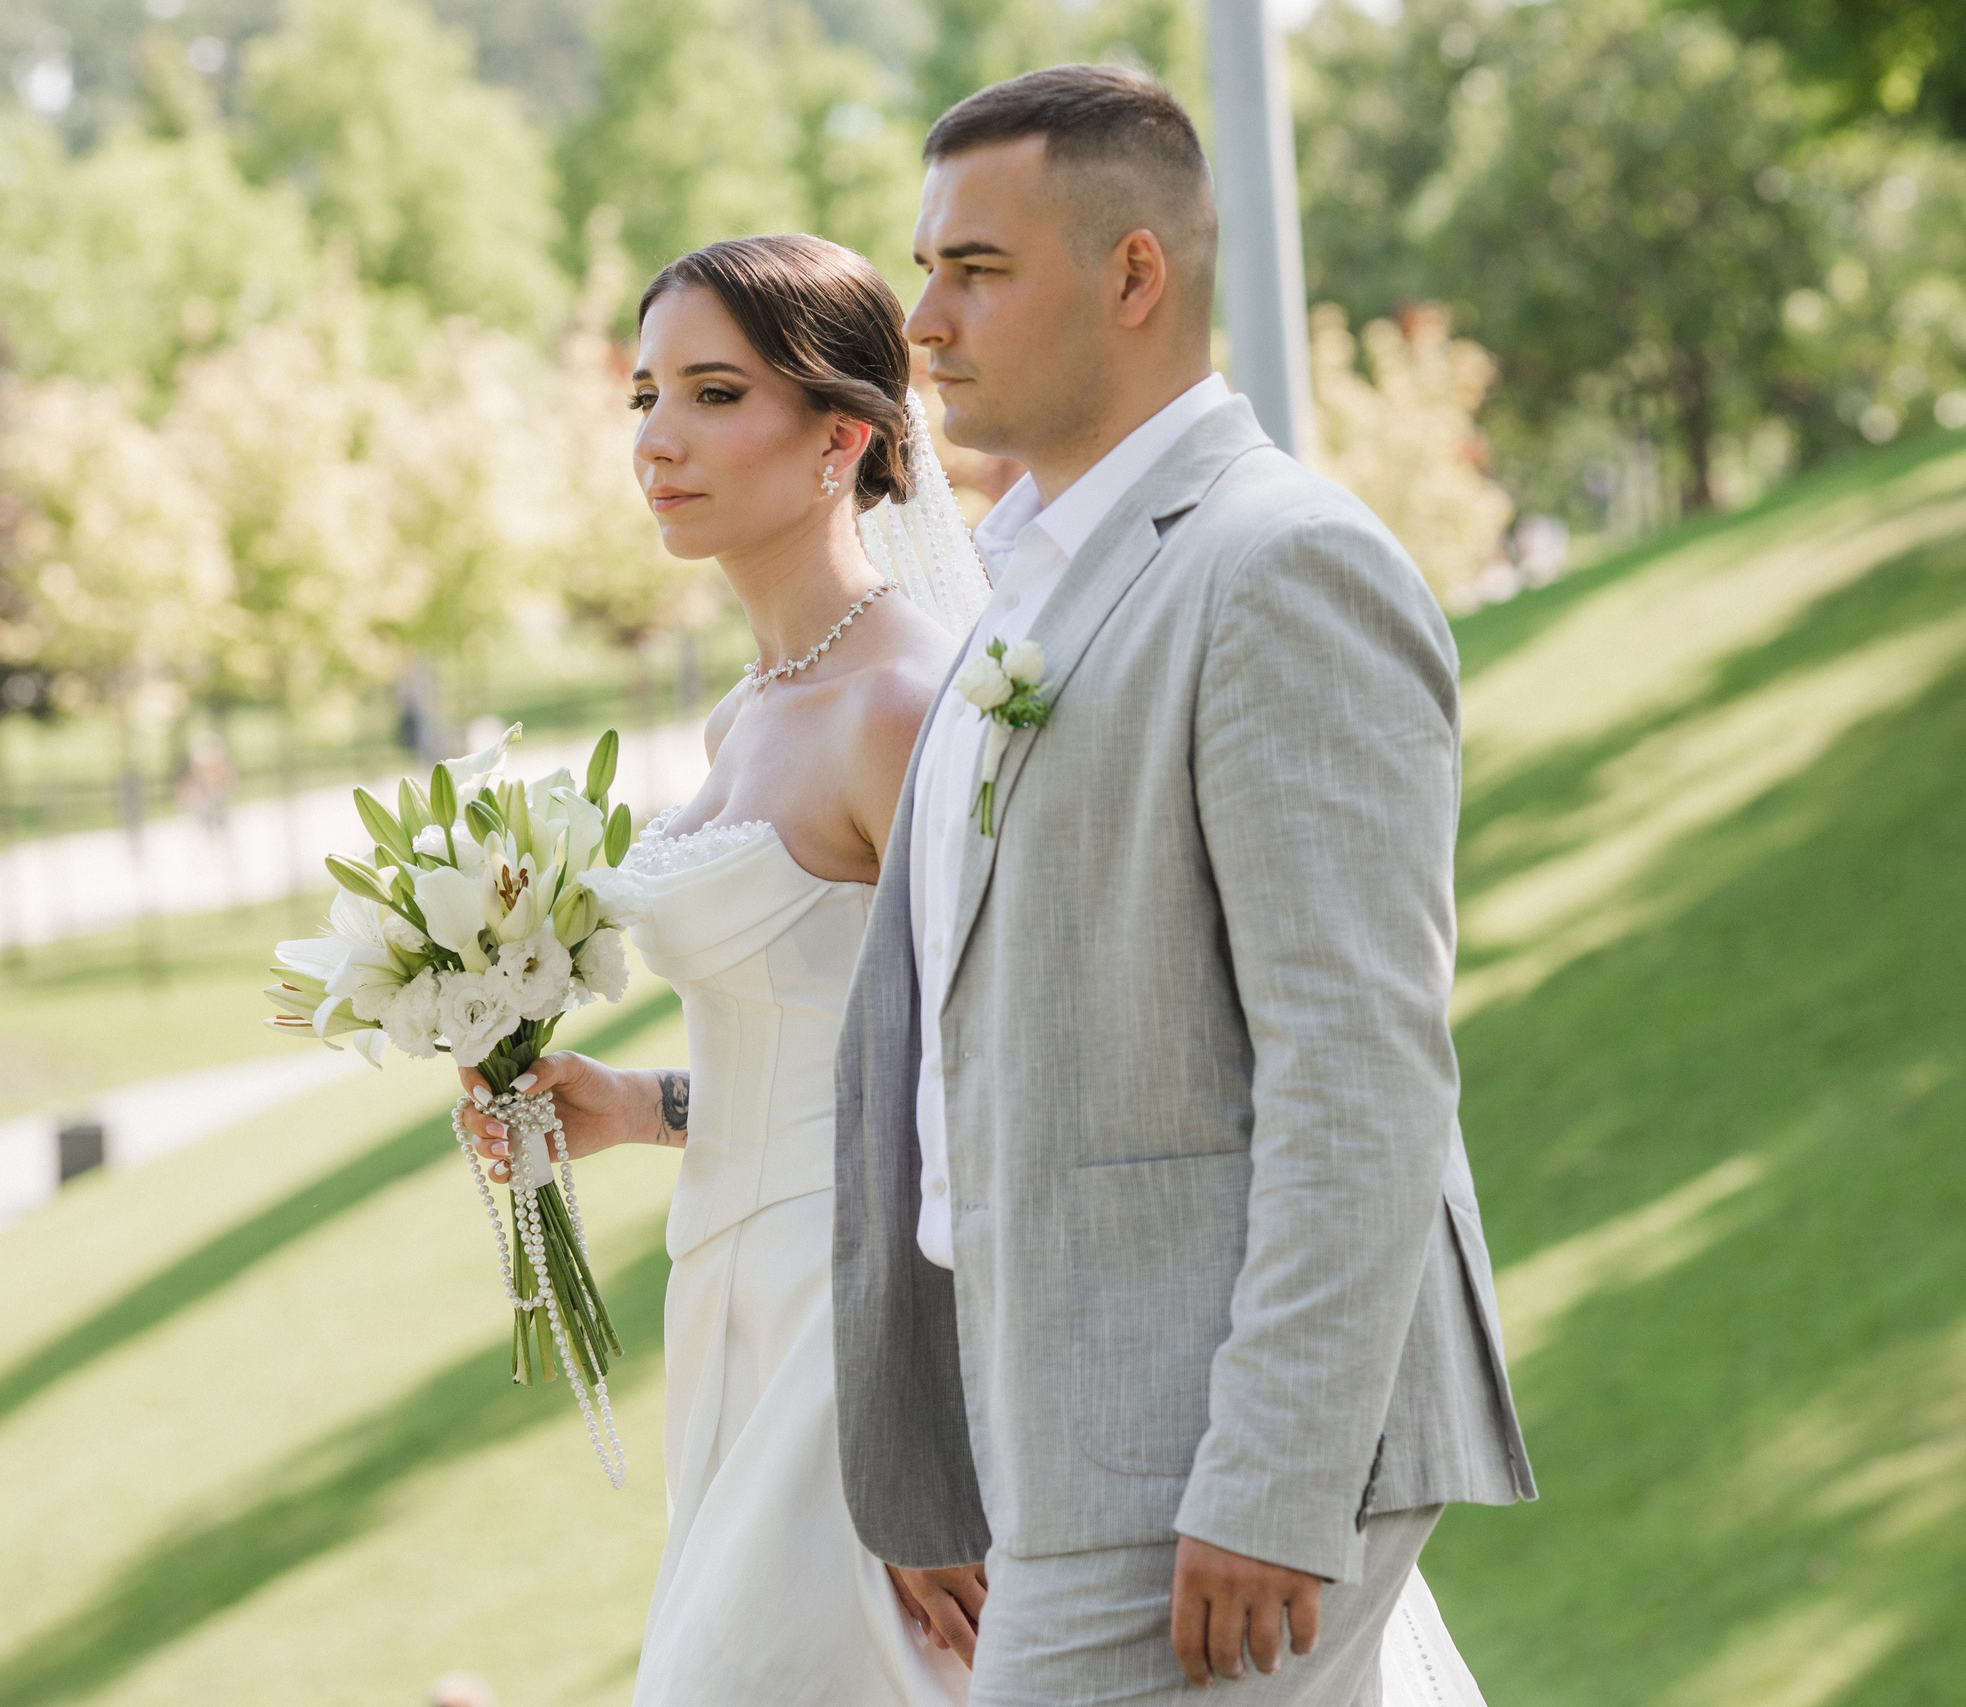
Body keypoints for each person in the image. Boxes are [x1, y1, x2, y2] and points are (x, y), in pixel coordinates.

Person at [829, 65, 1534, 1706]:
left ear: (1135, 274)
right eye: (925, 266)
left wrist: (1276, 1473)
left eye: (975, 271)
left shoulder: (1278, 563)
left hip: (1205, 1450)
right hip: (1060, 1434)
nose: (923, 320)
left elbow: (1360, 1062)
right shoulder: (1022, 589)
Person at [461, 233, 983, 1703]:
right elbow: (835, 1047)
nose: (658, 441)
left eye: (710, 394)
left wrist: (930, 1452)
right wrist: (632, 1106)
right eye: (643, 397)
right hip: (730, 1297)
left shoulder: (901, 705)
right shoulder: (743, 718)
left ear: (844, 437)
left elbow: (983, 1082)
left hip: (863, 1330)